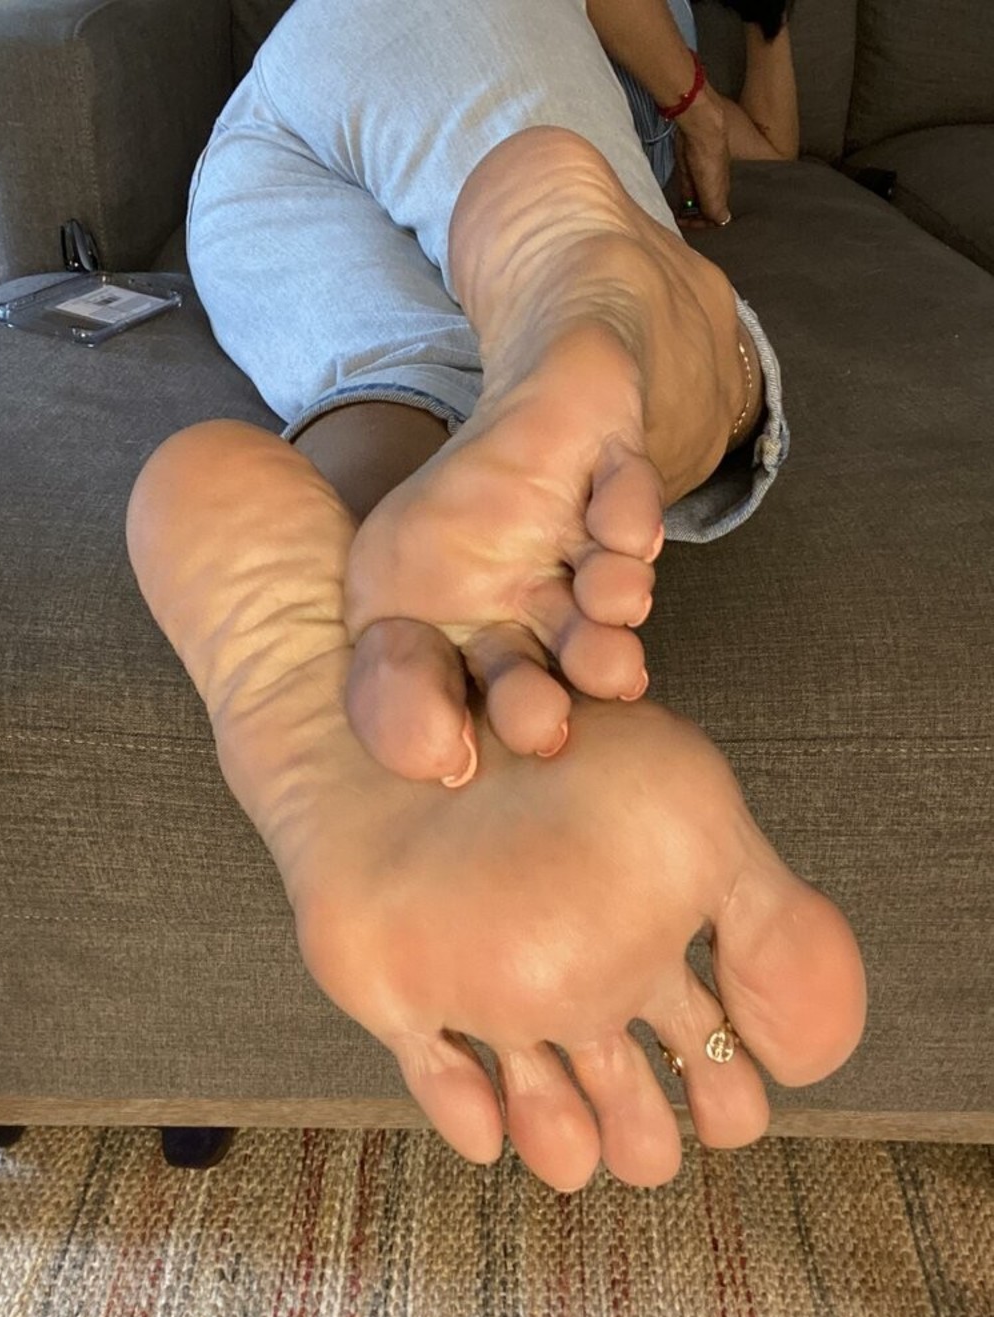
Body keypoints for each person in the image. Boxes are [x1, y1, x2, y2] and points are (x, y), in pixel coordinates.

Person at [126, 0, 866, 1193]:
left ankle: (367, 618)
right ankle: (632, 319)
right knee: (574, 295)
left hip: (252, 178)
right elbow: (738, 141)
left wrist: (750, 47)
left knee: (413, 376)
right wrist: (687, 95)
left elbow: (767, 144)